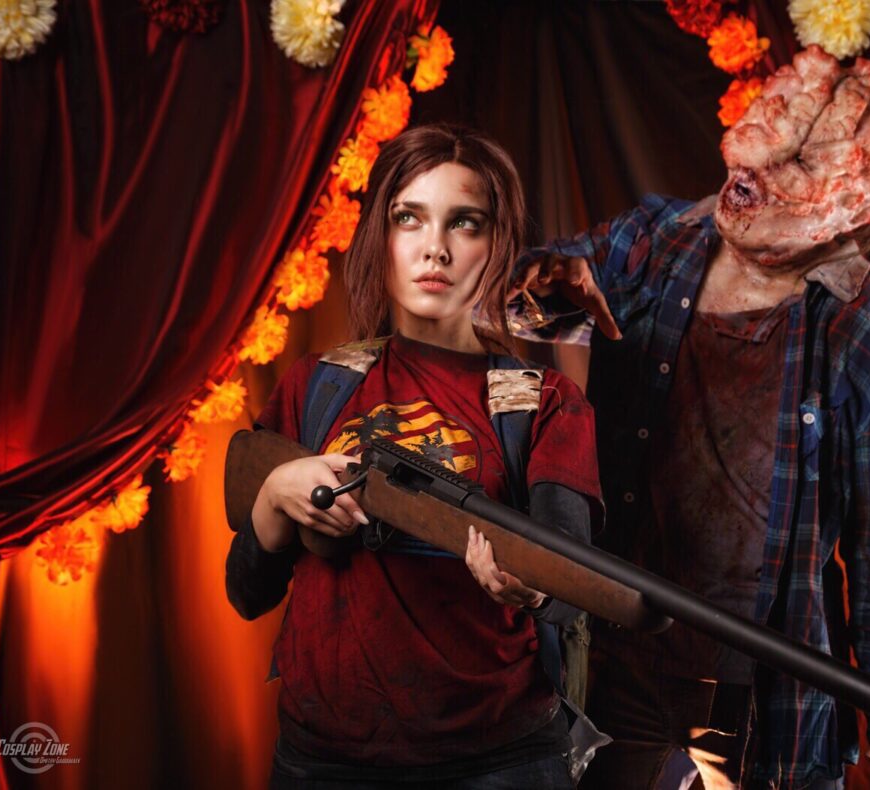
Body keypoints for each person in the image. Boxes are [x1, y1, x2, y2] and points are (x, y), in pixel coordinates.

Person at [510, 47, 870, 789]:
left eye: (794, 165)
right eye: (760, 136)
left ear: (849, 208)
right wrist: (544, 282)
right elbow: (533, 292)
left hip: (758, 686)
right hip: (617, 653)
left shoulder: (858, 330)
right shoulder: (662, 239)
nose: (749, 173)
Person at [225, 124, 602, 789]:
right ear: (381, 235)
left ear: (497, 244)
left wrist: (536, 587)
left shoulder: (542, 401)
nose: (435, 248)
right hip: (321, 764)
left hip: (499, 762)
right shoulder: (315, 385)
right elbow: (246, 593)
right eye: (410, 218)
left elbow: (571, 579)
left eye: (465, 223)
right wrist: (275, 497)